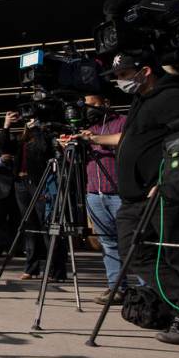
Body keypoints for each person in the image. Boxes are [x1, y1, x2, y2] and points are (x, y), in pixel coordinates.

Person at [82, 52, 179, 345]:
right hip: (132, 197)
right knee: (137, 253)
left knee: (167, 257)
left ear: (145, 71)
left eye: (123, 74)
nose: (120, 81)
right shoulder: (141, 100)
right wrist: (90, 139)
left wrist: (166, 180)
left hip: (157, 193)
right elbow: (130, 140)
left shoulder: (172, 97)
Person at [77, 93, 127, 304]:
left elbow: (128, 142)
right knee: (108, 243)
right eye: (87, 106)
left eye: (94, 105)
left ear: (106, 102)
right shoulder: (88, 127)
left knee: (132, 242)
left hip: (119, 192)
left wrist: (96, 140)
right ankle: (116, 287)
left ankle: (146, 291)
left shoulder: (122, 121)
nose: (90, 110)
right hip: (94, 192)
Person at [0, 112, 62, 280]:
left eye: (32, 119)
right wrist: (6, 125)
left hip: (38, 183)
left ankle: (55, 269)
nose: (29, 122)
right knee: (29, 225)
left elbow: (43, 149)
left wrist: (37, 129)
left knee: (45, 224)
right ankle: (31, 267)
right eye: (27, 120)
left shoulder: (45, 136)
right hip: (21, 182)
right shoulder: (22, 140)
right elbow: (4, 147)